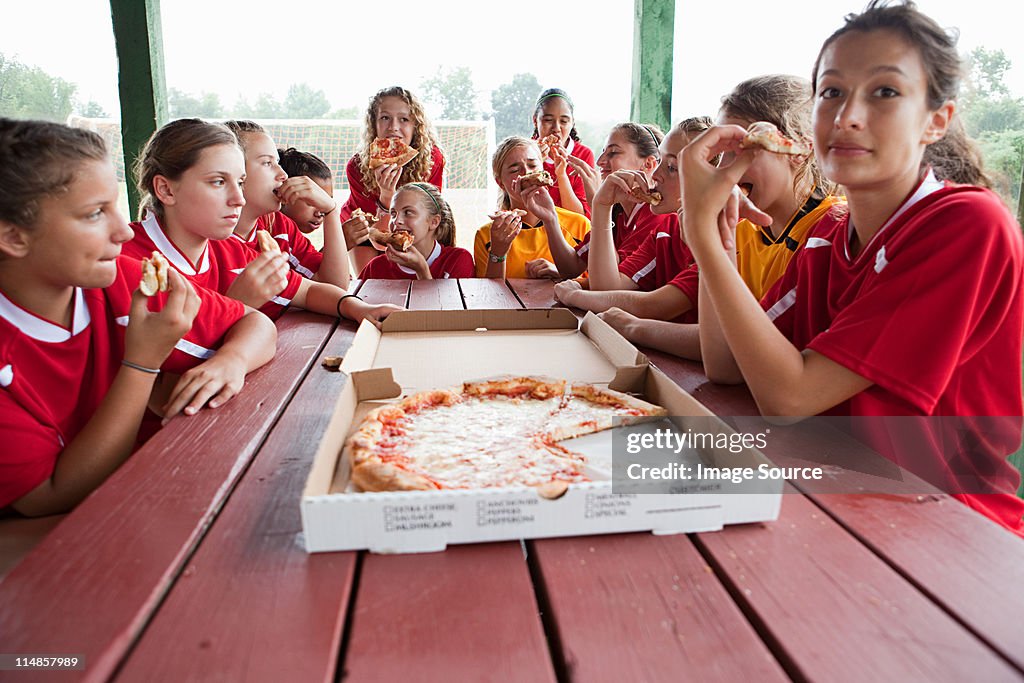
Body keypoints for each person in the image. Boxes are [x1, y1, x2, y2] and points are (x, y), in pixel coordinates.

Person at [681, 0, 1024, 535]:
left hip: (950, 529)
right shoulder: (828, 236)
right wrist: (719, 240)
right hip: (842, 504)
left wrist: (699, 233)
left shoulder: (966, 224)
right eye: (831, 92)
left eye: (885, 92)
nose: (846, 117)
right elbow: (726, 365)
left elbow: (788, 397)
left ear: (937, 120)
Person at [0, 118, 277, 516]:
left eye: (115, 206)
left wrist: (230, 361)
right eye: (95, 213)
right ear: (13, 237)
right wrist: (142, 363)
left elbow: (256, 324)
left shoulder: (122, 280)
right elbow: (53, 498)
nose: (124, 232)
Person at [598, 76, 841, 359]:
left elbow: (734, 355)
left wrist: (632, 326)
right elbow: (721, 362)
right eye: (719, 155)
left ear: (798, 149)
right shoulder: (743, 233)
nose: (724, 170)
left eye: (741, 150)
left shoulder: (828, 233)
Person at [127, 118, 400, 325]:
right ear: (165, 190)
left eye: (240, 181)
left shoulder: (243, 244)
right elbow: (161, 372)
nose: (238, 197)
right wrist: (238, 306)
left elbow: (310, 292)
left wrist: (361, 309)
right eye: (219, 182)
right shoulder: (130, 262)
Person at [553, 117, 714, 325]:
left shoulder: (660, 220)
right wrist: (601, 208)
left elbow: (653, 305)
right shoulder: (666, 229)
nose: (656, 175)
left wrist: (575, 293)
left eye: (671, 167)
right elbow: (604, 286)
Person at [224, 121, 349, 287]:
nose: (283, 175)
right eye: (267, 163)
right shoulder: (211, 239)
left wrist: (331, 210)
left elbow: (335, 285)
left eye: (278, 163)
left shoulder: (279, 225)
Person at [339, 86, 446, 273]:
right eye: (385, 118)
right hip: (365, 229)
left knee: (415, 275)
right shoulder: (356, 167)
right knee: (370, 282)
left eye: (404, 119)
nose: (393, 127)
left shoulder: (432, 160)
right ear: (374, 125)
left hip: (413, 223)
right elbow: (378, 241)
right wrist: (387, 195)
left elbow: (428, 222)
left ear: (416, 126)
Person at [544, 122, 666, 278]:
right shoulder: (619, 214)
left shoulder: (655, 216)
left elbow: (610, 281)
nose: (600, 161)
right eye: (603, 152)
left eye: (613, 152)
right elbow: (571, 267)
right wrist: (550, 218)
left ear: (648, 164)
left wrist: (599, 207)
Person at [473, 136, 591, 279]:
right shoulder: (488, 234)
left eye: (533, 165)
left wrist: (561, 273)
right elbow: (488, 296)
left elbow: (598, 285)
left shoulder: (579, 225)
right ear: (500, 183)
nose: (526, 172)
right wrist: (498, 254)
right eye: (515, 170)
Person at [358, 182, 474, 280]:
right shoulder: (376, 266)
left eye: (408, 212)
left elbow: (443, 307)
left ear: (434, 222)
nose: (396, 221)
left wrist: (421, 270)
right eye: (393, 214)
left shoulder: (458, 260)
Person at [531, 88, 592, 218]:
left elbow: (580, 216)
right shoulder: (524, 151)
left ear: (572, 123)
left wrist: (561, 174)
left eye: (564, 121)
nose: (556, 128)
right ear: (535, 121)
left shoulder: (583, 155)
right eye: (548, 120)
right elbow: (517, 203)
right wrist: (536, 164)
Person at [278, 147, 335, 235]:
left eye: (325, 201)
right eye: (311, 202)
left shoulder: (295, 239)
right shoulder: (270, 230)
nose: (320, 213)